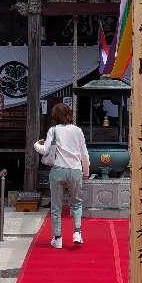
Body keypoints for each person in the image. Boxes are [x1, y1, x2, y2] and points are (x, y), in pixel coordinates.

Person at [34, 102, 90, 249]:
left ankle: (58, 238)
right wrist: (86, 172)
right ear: (69, 114)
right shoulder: (78, 130)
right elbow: (84, 154)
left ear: (54, 116)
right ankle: (77, 233)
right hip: (75, 170)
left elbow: (45, 150)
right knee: (76, 203)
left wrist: (36, 145)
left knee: (56, 206)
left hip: (58, 170)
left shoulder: (53, 130)